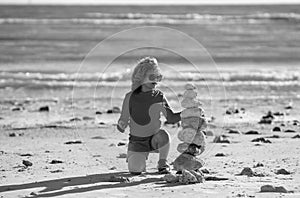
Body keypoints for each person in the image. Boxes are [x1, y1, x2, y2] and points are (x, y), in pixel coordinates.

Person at [117, 57, 181, 175]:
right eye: (152, 77)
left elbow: (171, 118)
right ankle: (136, 156)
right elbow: (123, 119)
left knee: (163, 135)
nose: (156, 80)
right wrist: (121, 125)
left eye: (158, 77)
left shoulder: (159, 96)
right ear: (140, 78)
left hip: (154, 140)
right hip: (137, 142)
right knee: (136, 170)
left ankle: (162, 162)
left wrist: (187, 113)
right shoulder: (130, 97)